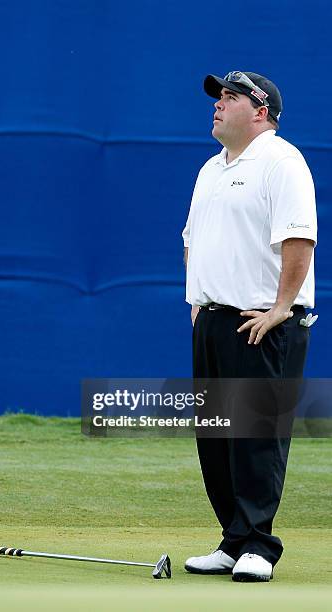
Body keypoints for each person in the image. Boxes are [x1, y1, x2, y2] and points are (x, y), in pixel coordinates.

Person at [182, 71, 317, 582]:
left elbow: (298, 239)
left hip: (262, 322)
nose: (218, 104)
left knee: (257, 435)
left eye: (230, 97)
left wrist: (282, 307)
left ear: (260, 112)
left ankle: (259, 544)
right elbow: (192, 238)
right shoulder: (210, 169)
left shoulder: (282, 163)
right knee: (215, 437)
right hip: (213, 320)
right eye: (218, 97)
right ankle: (234, 540)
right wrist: (195, 301)